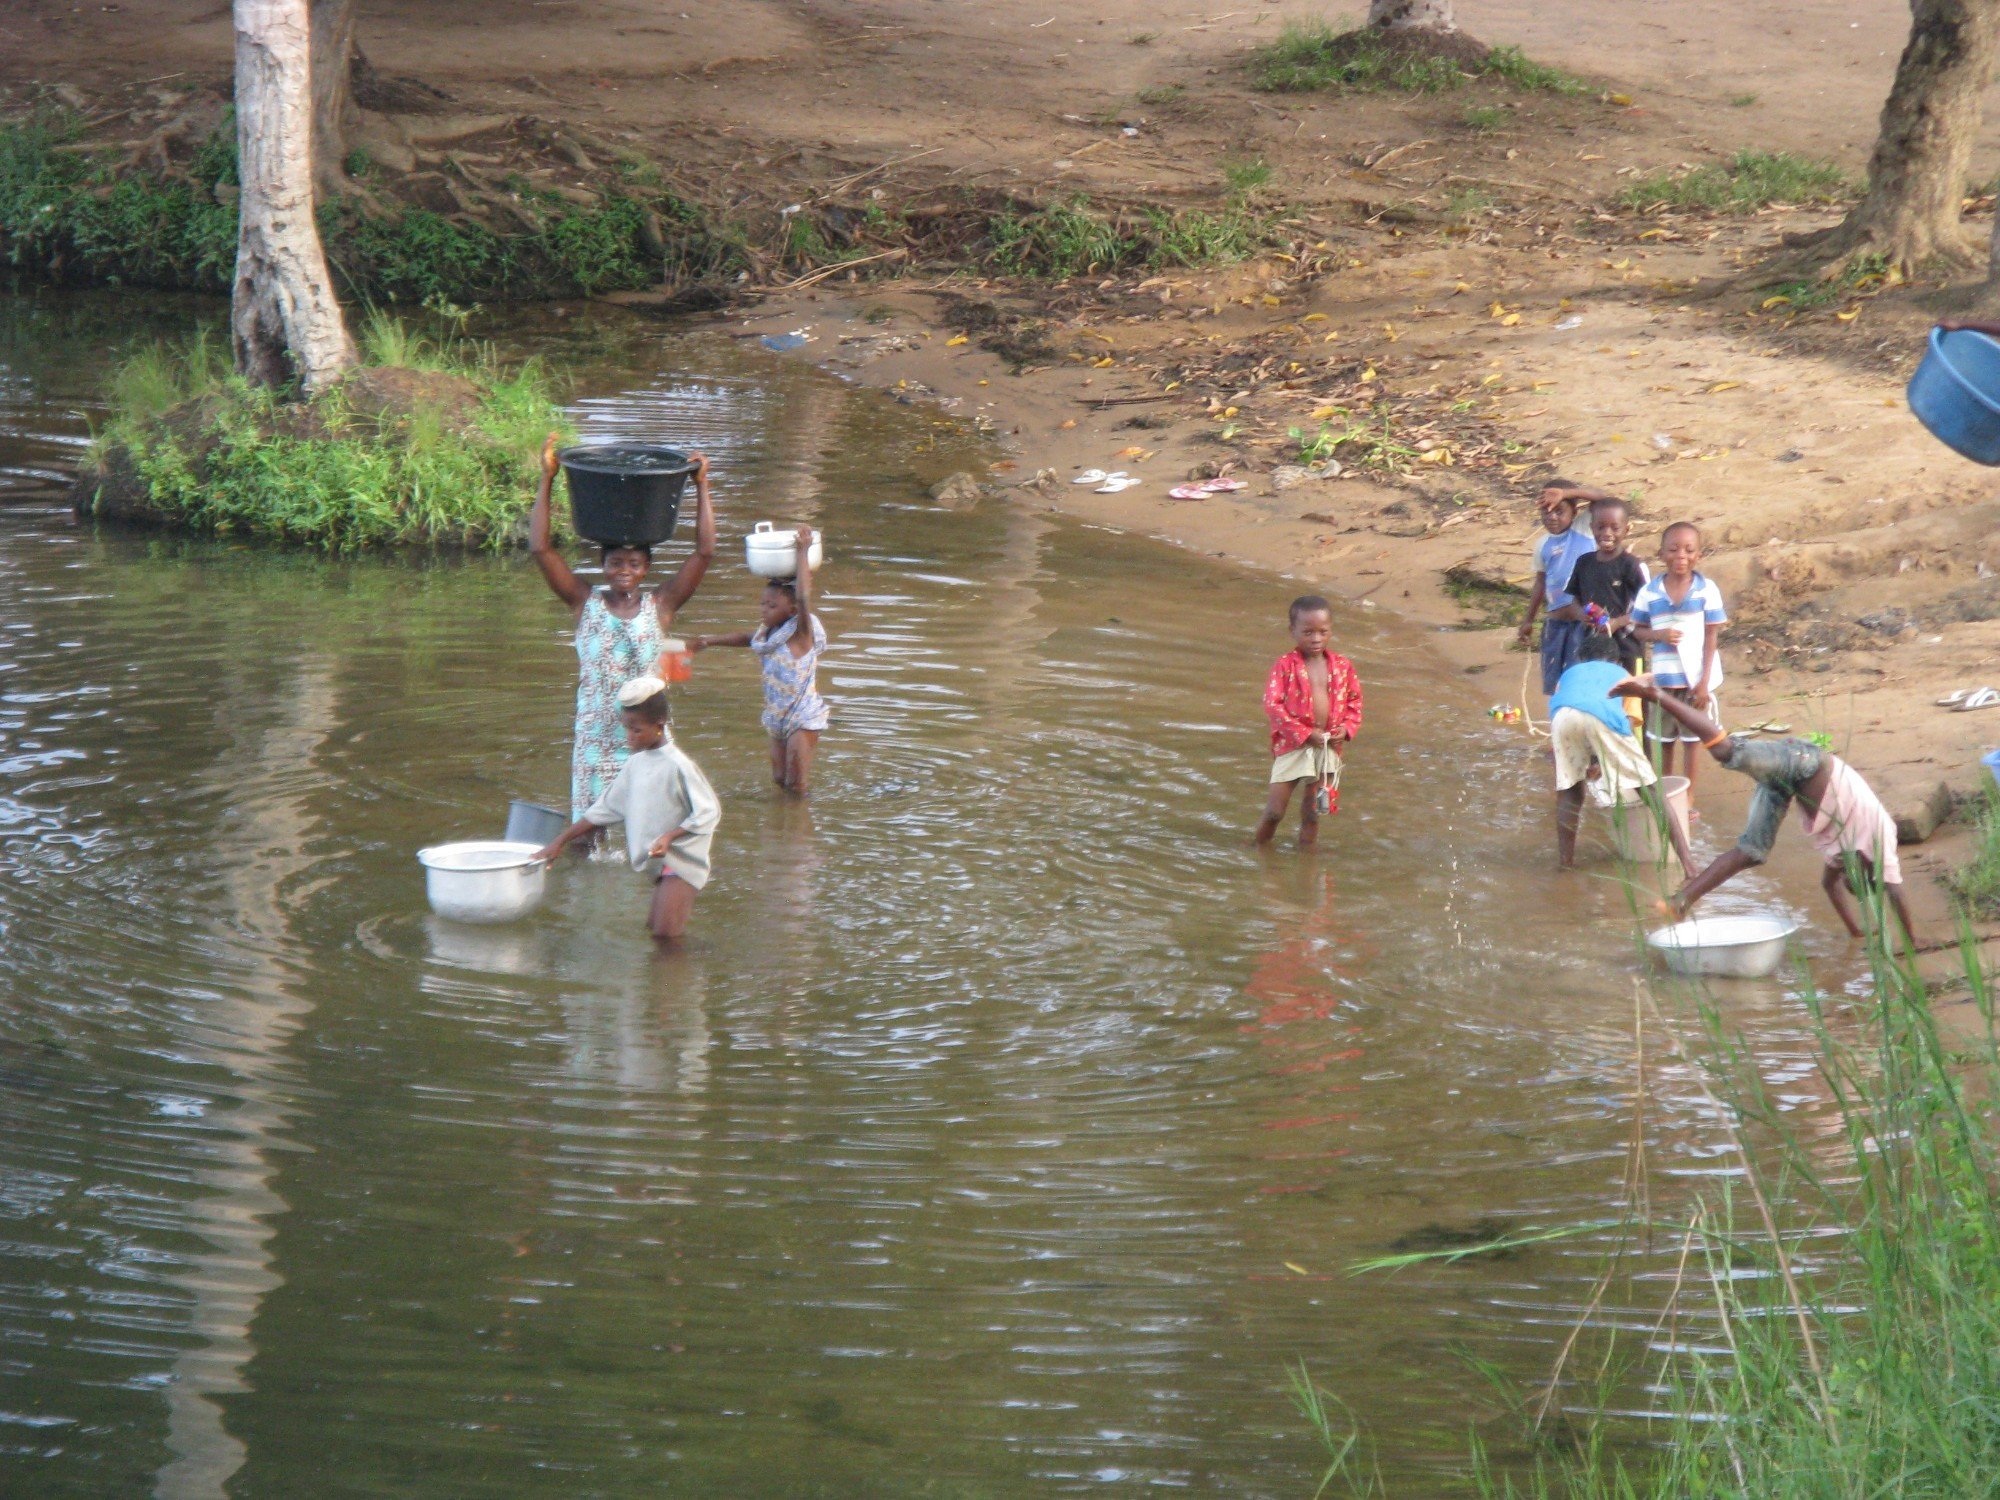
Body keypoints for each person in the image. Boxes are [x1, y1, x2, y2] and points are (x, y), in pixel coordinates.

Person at [1620, 680, 1917, 944]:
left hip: (1787, 783)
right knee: (1728, 752)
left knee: (1752, 852)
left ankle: (1679, 902)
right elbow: (1896, 892)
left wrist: (1855, 931)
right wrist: (1912, 940)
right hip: (1804, 761)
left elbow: (1830, 886)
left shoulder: (1844, 856)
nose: (1842, 871)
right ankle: (1655, 694)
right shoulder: (1881, 841)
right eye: (1852, 875)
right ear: (1867, 868)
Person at [529, 433, 717, 820]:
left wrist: (702, 487)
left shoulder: (660, 606)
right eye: (615, 563)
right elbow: (540, 549)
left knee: (653, 833)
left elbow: (704, 552)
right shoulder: (585, 603)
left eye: (634, 565)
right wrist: (547, 478)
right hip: (596, 740)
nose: (624, 572)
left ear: (646, 570)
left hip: (648, 740)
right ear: (603, 567)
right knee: (588, 832)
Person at [534, 677, 721, 943]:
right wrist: (559, 842)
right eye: (626, 729)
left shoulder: (677, 765)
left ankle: (686, 977)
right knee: (657, 936)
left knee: (666, 940)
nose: (629, 737)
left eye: (636, 730)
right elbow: (603, 810)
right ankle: (678, 974)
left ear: (659, 726)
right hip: (659, 867)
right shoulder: (636, 765)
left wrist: (670, 837)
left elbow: (708, 812)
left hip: (682, 866)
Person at [687, 526, 828, 794]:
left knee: (796, 786)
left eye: (772, 606)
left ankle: (799, 830)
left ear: (793, 611)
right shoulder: (770, 636)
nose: (764, 610)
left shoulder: (801, 632)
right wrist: (707, 642)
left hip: (802, 717)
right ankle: (784, 823)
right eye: (763, 604)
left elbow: (803, 596)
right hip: (777, 717)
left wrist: (802, 551)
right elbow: (745, 638)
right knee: (779, 779)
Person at [1548, 632, 1697, 877]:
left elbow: (1571, 713)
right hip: (1603, 718)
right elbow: (1625, 723)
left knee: (1570, 790)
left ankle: (1566, 863)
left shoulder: (1568, 675)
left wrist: (1593, 759)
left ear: (1581, 658)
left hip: (1562, 717)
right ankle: (1689, 866)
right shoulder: (1625, 677)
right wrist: (1608, 757)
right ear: (1616, 661)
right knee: (1650, 790)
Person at [1629, 521, 1727, 808]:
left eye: (1688, 550)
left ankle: (1689, 795)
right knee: (1664, 739)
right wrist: (1658, 635)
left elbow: (1711, 636)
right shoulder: (1650, 592)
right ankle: (1668, 792)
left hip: (1694, 682)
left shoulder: (1706, 590)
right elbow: (1637, 630)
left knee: (1692, 741)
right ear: (1661, 554)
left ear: (1699, 555)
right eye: (1673, 549)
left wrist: (1704, 683)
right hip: (1663, 683)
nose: (1680, 556)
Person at [1255, 594, 1363, 848]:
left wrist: (1346, 729)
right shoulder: (1284, 666)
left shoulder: (1343, 666)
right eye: (1307, 632)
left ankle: (1308, 858)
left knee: (1313, 812)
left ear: (1330, 631)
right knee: (1275, 811)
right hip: (1292, 747)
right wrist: (1304, 733)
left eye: (1322, 632)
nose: (1316, 639)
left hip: (1327, 748)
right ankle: (1259, 848)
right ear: (1292, 630)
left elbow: (1355, 703)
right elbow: (1272, 705)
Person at [1516, 479, 1614, 695]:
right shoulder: (1542, 544)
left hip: (1584, 623)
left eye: (1559, 510)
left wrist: (1567, 492)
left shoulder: (1584, 529)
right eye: (1546, 511)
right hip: (1555, 624)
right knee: (1555, 683)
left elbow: (1604, 498)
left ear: (1574, 512)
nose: (1552, 517)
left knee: (1580, 677)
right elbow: (1540, 583)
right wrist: (1528, 621)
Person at [1565, 498, 1648, 671]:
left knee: (1631, 695)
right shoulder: (1584, 563)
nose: (1607, 533)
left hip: (1628, 650)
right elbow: (1574, 599)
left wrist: (1617, 622)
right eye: (1600, 527)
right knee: (1597, 694)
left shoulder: (1632, 566)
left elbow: (1647, 608)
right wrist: (1581, 614)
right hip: (1592, 648)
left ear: (1626, 529)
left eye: (1615, 528)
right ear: (1591, 527)